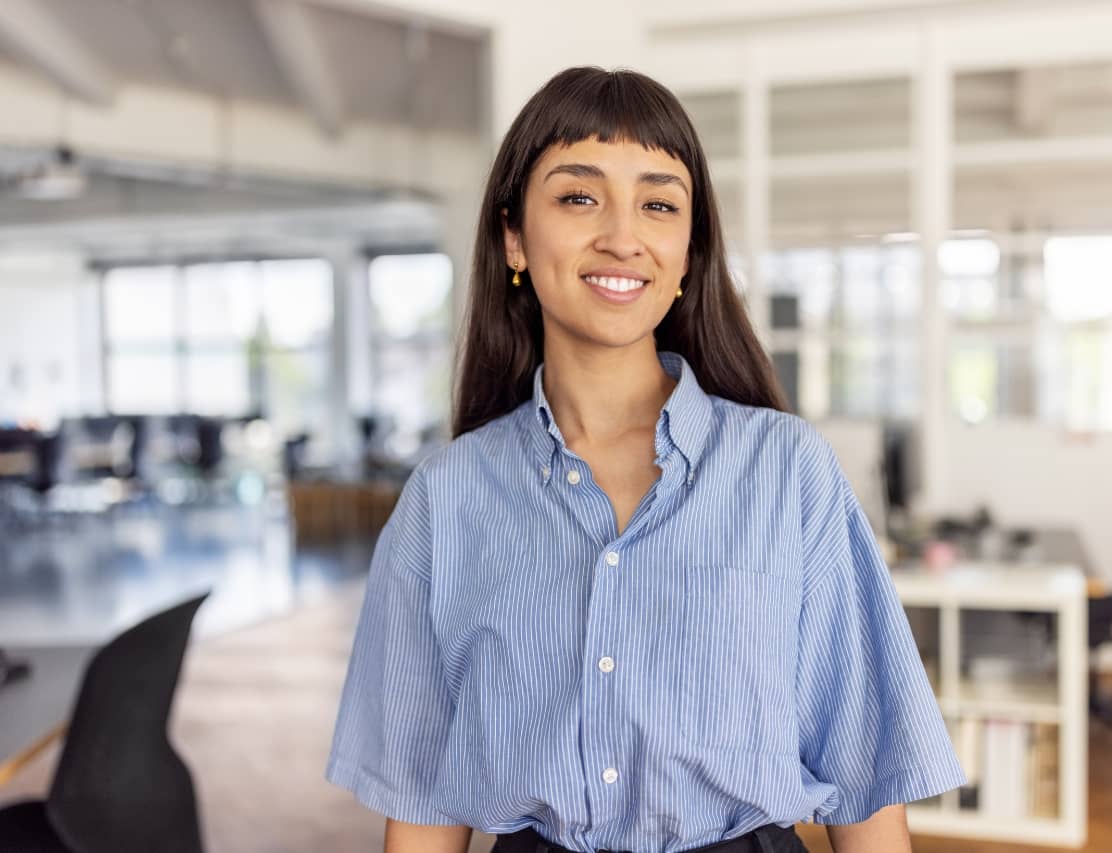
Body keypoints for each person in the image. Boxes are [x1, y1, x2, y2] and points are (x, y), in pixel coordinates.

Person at [325, 66, 965, 853]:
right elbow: (422, 801)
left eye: (659, 203)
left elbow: (864, 782)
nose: (622, 235)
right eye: (578, 196)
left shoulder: (788, 472)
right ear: (513, 237)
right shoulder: (446, 497)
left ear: (689, 251)